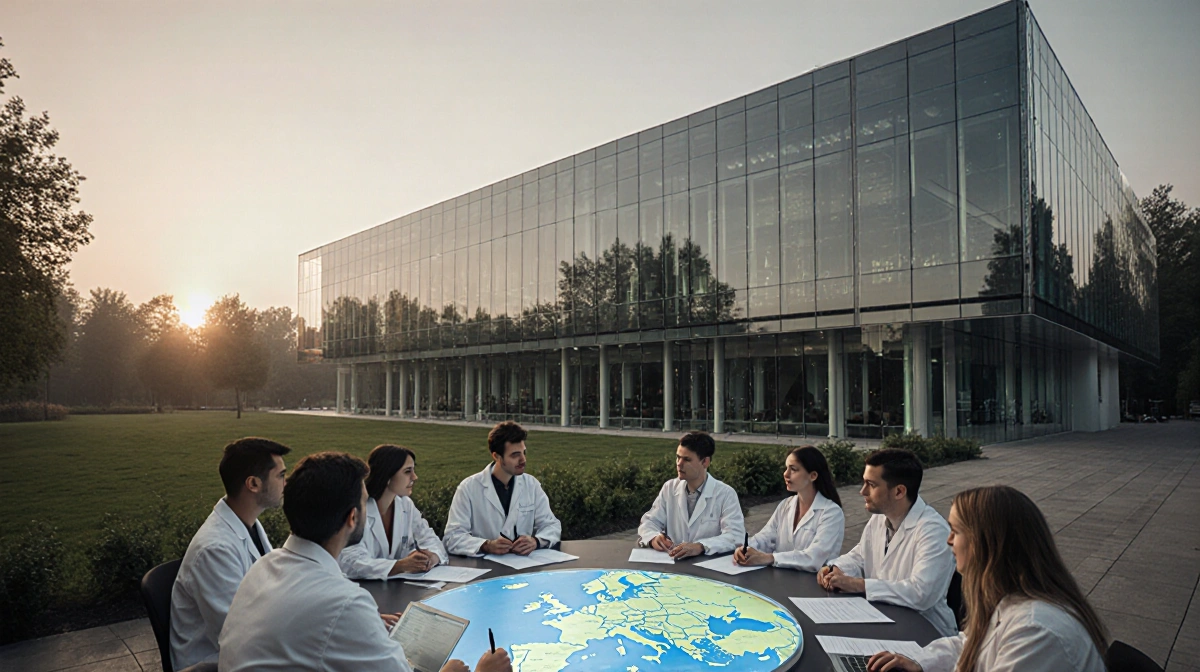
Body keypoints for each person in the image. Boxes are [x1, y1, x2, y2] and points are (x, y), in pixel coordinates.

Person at [218, 451, 512, 672]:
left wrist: (364, 623)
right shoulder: (344, 604)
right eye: (362, 502)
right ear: (353, 517)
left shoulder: (262, 569)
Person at [867, 486, 1108, 672]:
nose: (948, 540)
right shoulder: (1010, 601)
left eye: (956, 531)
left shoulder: (1036, 631)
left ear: (988, 544)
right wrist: (919, 661)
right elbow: (970, 644)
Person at [169, 437, 289, 670]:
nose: (286, 484)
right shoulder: (214, 550)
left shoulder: (248, 523)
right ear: (253, 484)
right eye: (281, 476)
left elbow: (275, 588)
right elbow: (239, 638)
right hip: (212, 664)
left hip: (249, 651)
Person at [818, 449, 957, 636]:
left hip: (925, 632)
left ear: (899, 491)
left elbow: (921, 593)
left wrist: (859, 585)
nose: (862, 491)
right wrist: (836, 569)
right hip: (882, 619)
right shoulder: (880, 519)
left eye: (871, 484)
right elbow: (860, 556)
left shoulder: (934, 531)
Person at [443, 421, 561, 556]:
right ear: (497, 456)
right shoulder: (468, 489)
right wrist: (486, 545)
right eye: (515, 455)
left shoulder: (531, 485)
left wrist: (536, 541)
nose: (523, 460)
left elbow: (551, 525)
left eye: (524, 452)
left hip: (523, 566)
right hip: (485, 568)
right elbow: (452, 538)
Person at [339, 444, 448, 579]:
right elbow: (350, 562)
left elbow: (430, 538)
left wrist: (432, 557)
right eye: (408, 471)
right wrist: (400, 566)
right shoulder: (358, 510)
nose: (414, 477)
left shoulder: (405, 505)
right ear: (388, 475)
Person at [734, 445, 845, 571]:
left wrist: (770, 558)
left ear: (813, 475)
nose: (786, 474)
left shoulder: (831, 513)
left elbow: (814, 557)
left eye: (793, 469)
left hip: (812, 585)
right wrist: (746, 548)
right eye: (786, 468)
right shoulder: (785, 505)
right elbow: (765, 537)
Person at [637, 431, 745, 559]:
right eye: (678, 457)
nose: (679, 463)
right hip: (674, 567)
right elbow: (650, 522)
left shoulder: (726, 494)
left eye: (686, 459)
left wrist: (701, 546)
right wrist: (654, 538)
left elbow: (735, 536)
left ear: (705, 462)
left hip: (708, 568)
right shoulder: (669, 488)